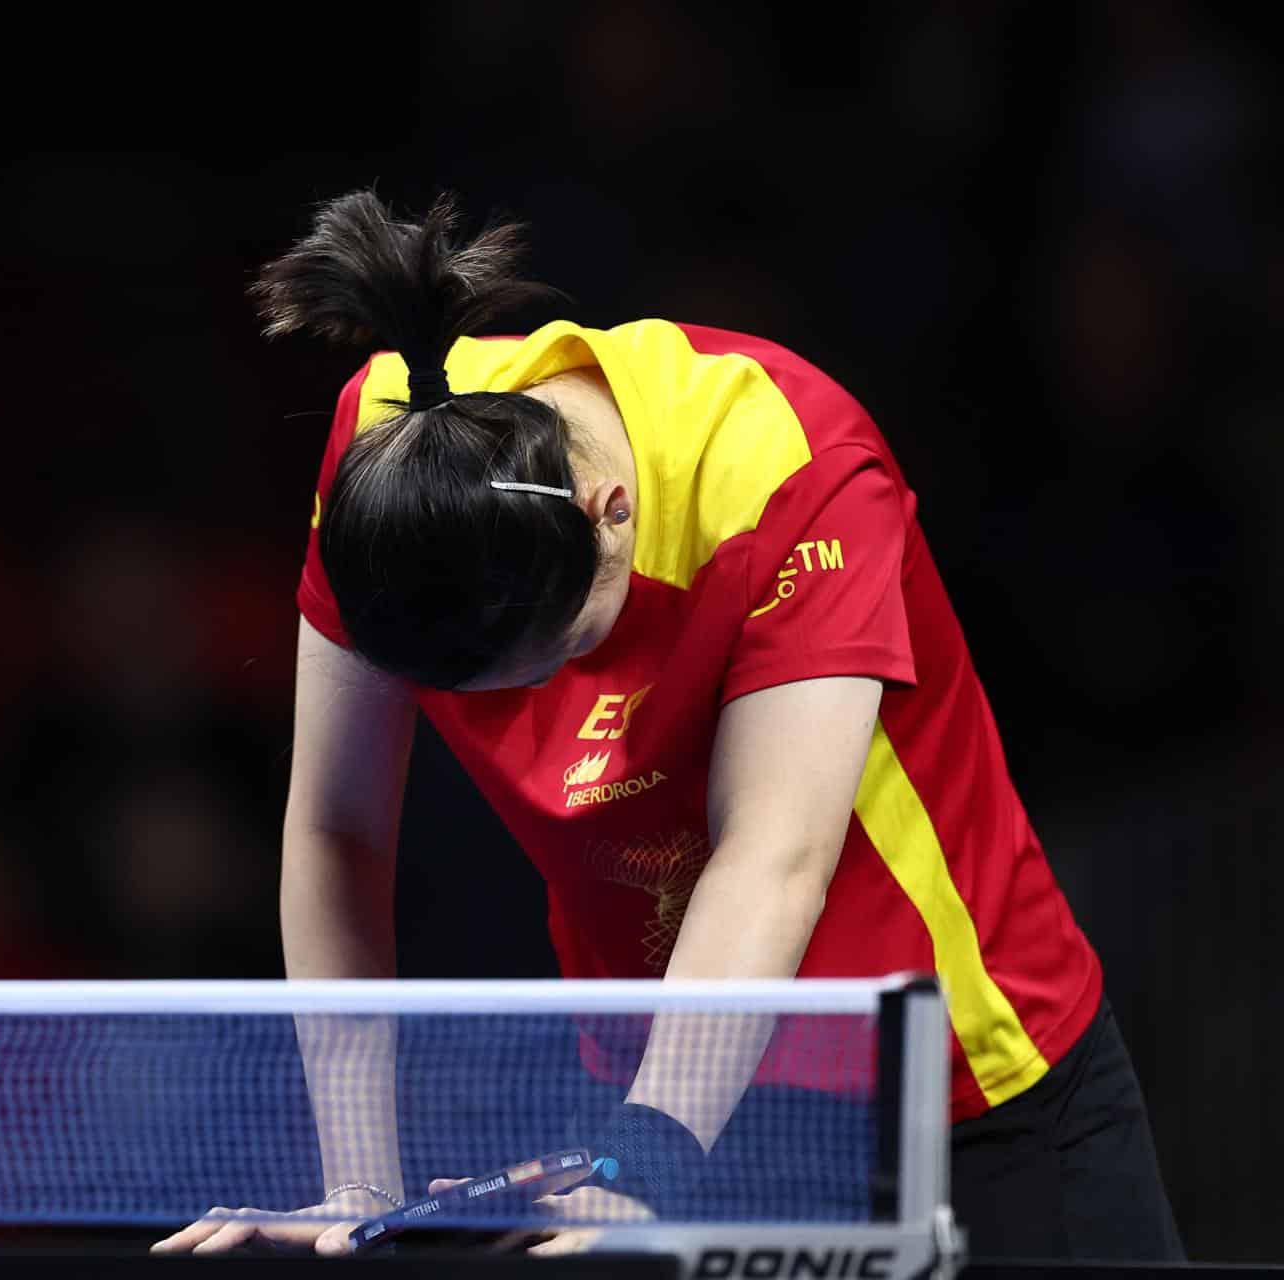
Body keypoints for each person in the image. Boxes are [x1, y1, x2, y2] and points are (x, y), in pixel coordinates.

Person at [153, 191, 1182, 1260]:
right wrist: (353, 1188)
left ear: (609, 508)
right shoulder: (396, 470)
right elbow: (338, 828)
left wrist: (642, 1162)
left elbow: (772, 854)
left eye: (561, 651)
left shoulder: (783, 462)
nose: (533, 707)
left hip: (961, 1089)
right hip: (665, 1101)